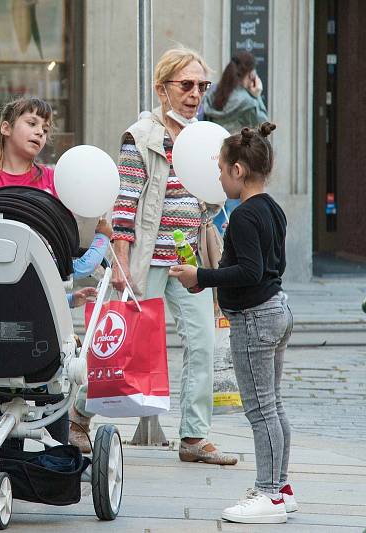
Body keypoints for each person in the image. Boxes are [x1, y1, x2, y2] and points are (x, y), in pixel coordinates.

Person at [104, 47, 237, 465]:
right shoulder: (141, 137)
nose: (195, 93)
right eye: (186, 84)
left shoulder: (205, 139)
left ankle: (194, 437)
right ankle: (77, 419)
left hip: (189, 261)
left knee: (202, 344)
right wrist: (122, 262)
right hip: (145, 259)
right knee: (119, 341)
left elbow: (214, 198)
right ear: (163, 90)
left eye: (202, 85)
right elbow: (124, 204)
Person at [170, 122, 295, 524]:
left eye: (221, 171)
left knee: (259, 411)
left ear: (238, 171)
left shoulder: (243, 216)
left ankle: (269, 494)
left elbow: (250, 271)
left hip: (255, 319)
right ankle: (282, 487)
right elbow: (273, 265)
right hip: (277, 310)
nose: (219, 179)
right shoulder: (272, 209)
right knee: (273, 406)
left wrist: (201, 277)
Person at [0, 96, 110, 447]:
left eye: (45, 128)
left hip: (45, 303)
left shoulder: (56, 180)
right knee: (6, 386)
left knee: (52, 386)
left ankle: (59, 454)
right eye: (32, 123)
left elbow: (58, 255)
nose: (40, 133)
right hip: (0, 298)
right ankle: (11, 459)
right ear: (5, 127)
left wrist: (99, 244)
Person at [203, 52, 269, 233]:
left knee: (215, 219)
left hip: (215, 164)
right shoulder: (248, 102)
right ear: (250, 76)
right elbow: (264, 129)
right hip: (239, 166)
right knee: (234, 221)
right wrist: (257, 97)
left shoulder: (213, 97)